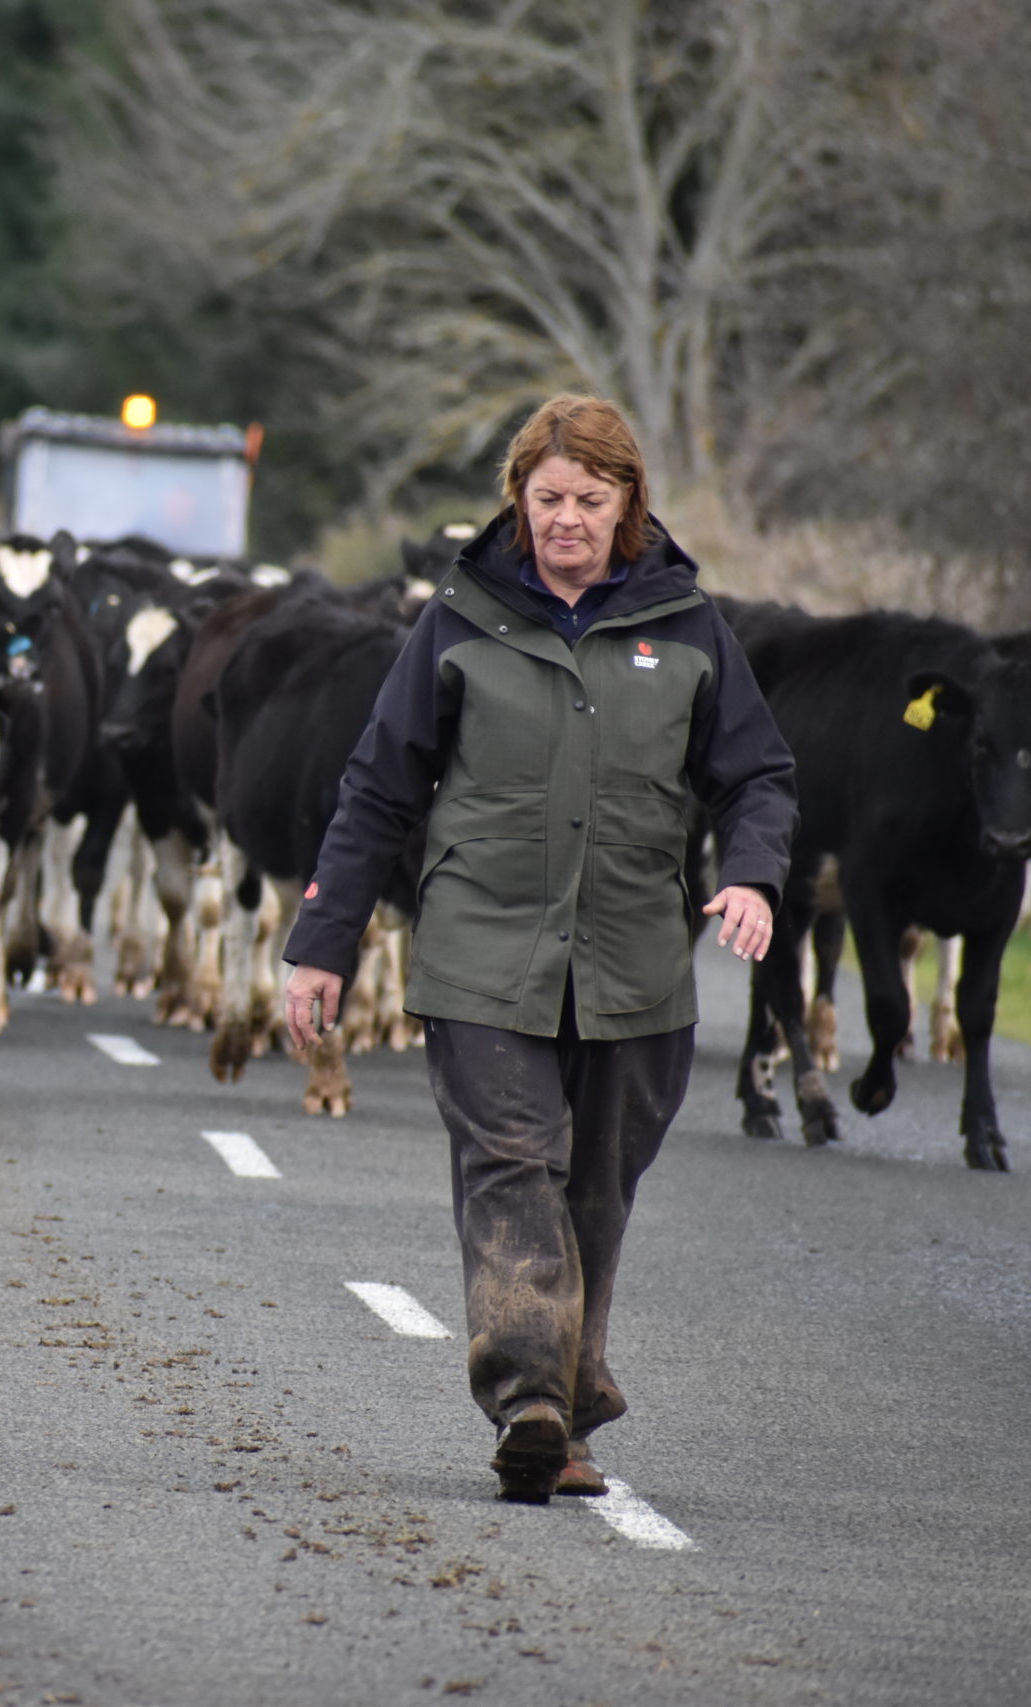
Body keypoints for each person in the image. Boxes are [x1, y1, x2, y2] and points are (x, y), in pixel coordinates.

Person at [278, 393, 796, 1502]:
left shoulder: (690, 629)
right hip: (480, 952)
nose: (566, 518)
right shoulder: (458, 622)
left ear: (627, 506)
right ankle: (530, 1398)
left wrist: (750, 874)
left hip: (633, 964)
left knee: (596, 1194)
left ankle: (569, 1399)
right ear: (517, 502)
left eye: (589, 501)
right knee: (512, 1168)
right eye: (548, 498)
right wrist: (324, 942)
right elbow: (377, 788)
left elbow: (756, 777)